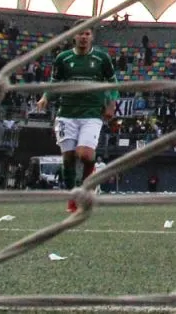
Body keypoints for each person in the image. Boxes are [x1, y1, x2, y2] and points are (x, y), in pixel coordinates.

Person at [36, 24, 118, 213]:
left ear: (92, 37)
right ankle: (72, 200)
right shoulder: (63, 58)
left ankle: (88, 184)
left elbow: (112, 82)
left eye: (87, 34)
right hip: (67, 114)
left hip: (92, 113)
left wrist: (111, 103)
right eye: (80, 33)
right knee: (68, 159)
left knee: (85, 154)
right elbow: (55, 83)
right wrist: (45, 97)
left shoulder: (102, 58)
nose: (83, 37)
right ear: (74, 36)